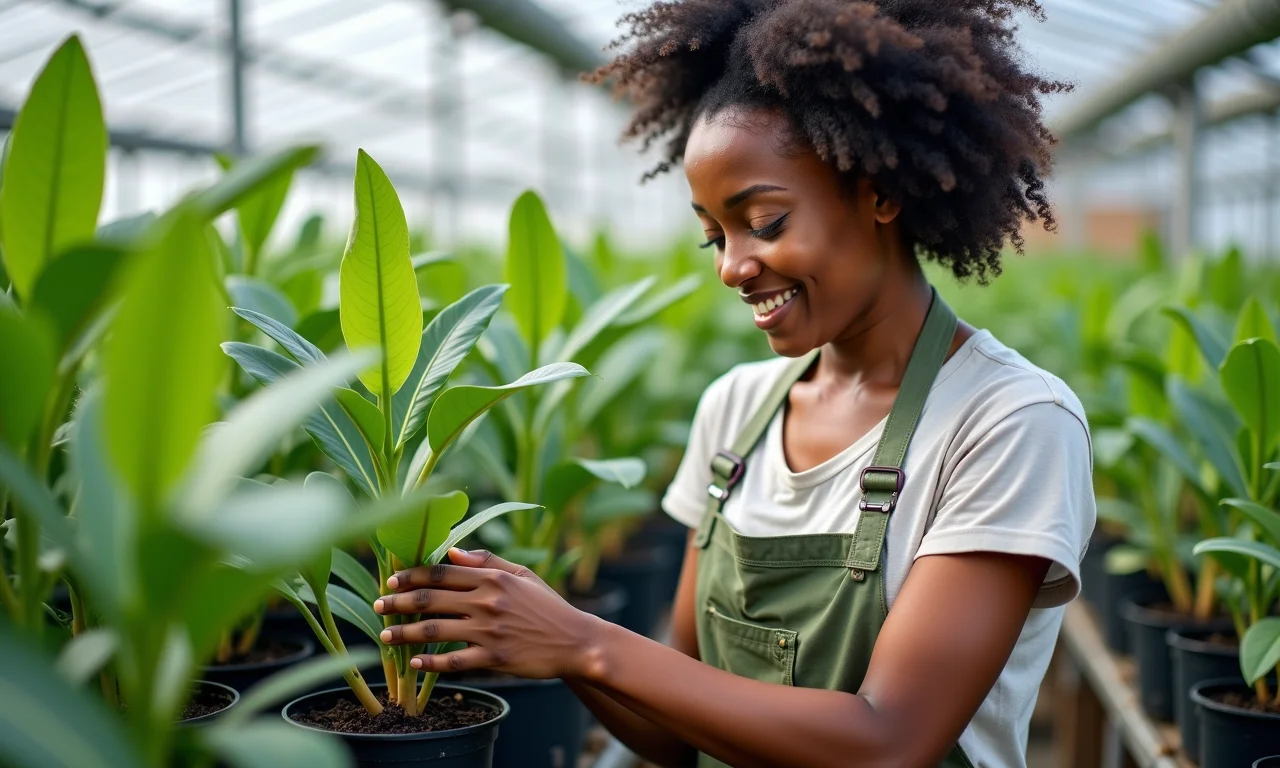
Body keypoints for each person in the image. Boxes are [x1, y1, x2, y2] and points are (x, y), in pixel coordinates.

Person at [374, 1, 1096, 766]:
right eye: (714, 234)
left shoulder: (1010, 422)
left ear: (881, 193)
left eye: (767, 221)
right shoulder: (737, 411)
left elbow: (888, 742)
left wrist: (581, 641)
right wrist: (533, 632)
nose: (731, 266)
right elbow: (675, 724)